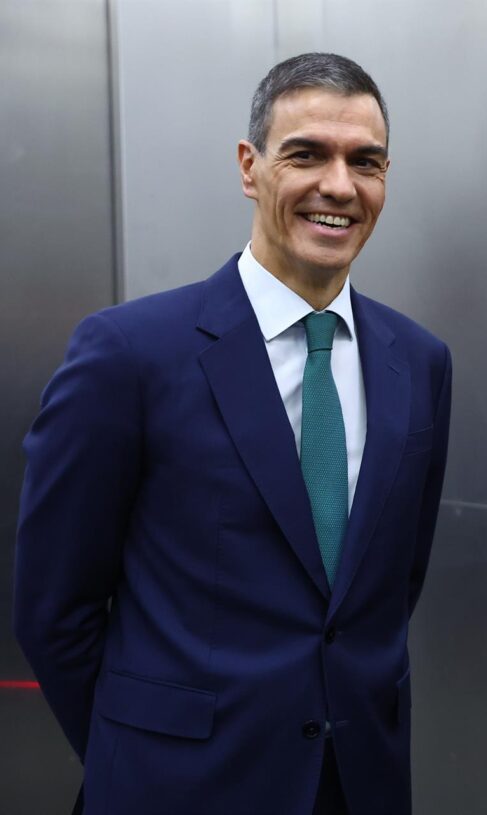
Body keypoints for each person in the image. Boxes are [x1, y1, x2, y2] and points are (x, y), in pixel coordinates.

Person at [14, 53, 451, 815]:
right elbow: (55, 608)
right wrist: (137, 758)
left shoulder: (419, 361)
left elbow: (387, 589)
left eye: (365, 162)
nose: (339, 186)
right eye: (306, 154)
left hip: (358, 783)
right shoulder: (129, 354)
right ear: (250, 167)